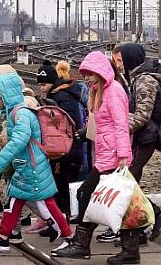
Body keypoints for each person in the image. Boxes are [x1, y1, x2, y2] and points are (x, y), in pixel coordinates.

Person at [53, 51, 135, 263]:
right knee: (118, 201)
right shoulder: (100, 91)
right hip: (107, 155)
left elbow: (120, 124)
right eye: (85, 73)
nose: (86, 77)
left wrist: (124, 155)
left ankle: (83, 244)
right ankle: (129, 249)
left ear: (101, 72)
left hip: (114, 157)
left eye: (90, 73)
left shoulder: (113, 92)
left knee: (87, 193)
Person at [0, 74, 72, 253]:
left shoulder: (20, 114)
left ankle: (68, 236)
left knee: (47, 204)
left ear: (5, 96)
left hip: (32, 167)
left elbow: (18, 141)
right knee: (15, 200)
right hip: (28, 165)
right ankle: (4, 237)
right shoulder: (18, 111)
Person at [113, 44, 161, 243]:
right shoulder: (136, 77)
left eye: (120, 60)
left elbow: (142, 115)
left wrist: (118, 126)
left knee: (129, 182)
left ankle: (150, 218)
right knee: (131, 183)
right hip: (145, 136)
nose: (118, 65)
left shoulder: (144, 80)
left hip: (148, 137)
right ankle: (139, 229)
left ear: (130, 59)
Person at [37, 60, 86, 225]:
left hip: (66, 149)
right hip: (67, 147)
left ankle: (63, 222)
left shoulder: (61, 97)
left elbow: (66, 125)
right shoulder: (62, 94)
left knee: (62, 186)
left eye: (44, 84)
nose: (41, 88)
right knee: (62, 185)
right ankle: (61, 221)